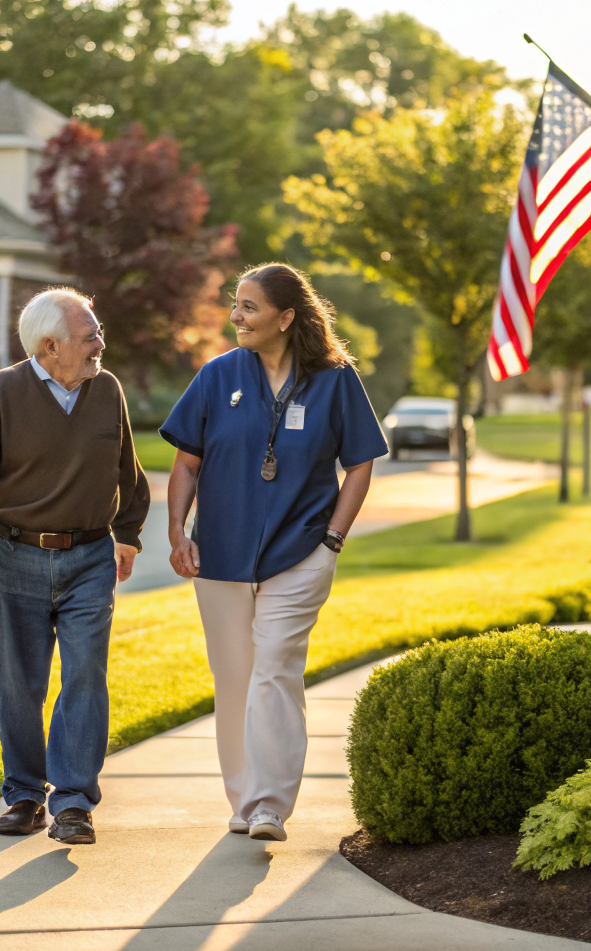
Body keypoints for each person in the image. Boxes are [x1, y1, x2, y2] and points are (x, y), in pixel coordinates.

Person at [160, 263, 388, 842]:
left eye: (249, 307)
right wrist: (177, 533)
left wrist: (332, 540)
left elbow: (360, 463)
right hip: (220, 554)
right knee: (235, 677)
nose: (236, 317)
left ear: (287, 318)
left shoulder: (335, 380)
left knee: (275, 670)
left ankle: (268, 805)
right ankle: (242, 800)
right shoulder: (217, 376)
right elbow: (187, 462)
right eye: (235, 305)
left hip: (301, 550)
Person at [0, 287, 149, 845]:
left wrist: (128, 534)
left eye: (98, 332)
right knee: (16, 685)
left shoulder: (106, 390)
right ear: (51, 345)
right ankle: (26, 795)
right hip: (12, 556)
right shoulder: (2, 393)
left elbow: (129, 471)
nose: (100, 343)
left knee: (85, 675)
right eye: (90, 335)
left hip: (88, 556)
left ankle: (75, 803)